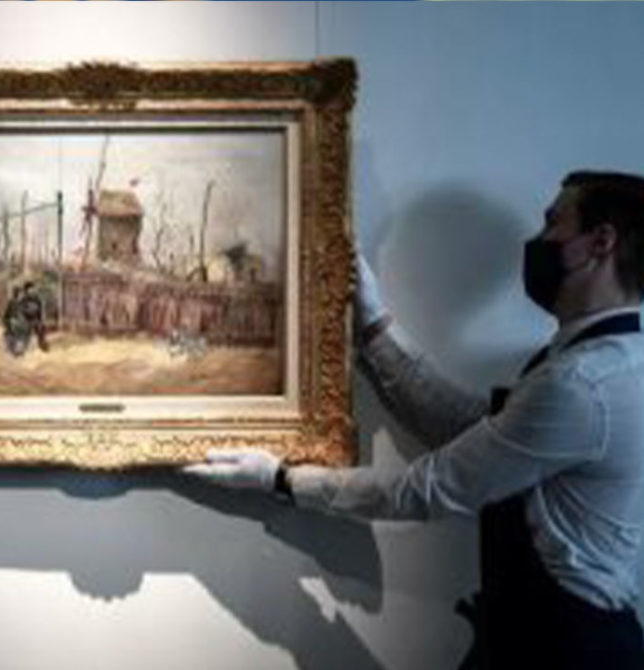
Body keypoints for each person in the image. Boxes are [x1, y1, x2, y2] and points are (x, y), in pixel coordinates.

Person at [185, 171, 644, 669]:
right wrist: (375, 325)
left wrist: (281, 479)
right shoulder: (606, 363)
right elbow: (468, 427)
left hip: (564, 651)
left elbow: (426, 489)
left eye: (554, 223)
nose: (541, 239)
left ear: (600, 242)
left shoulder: (581, 386)